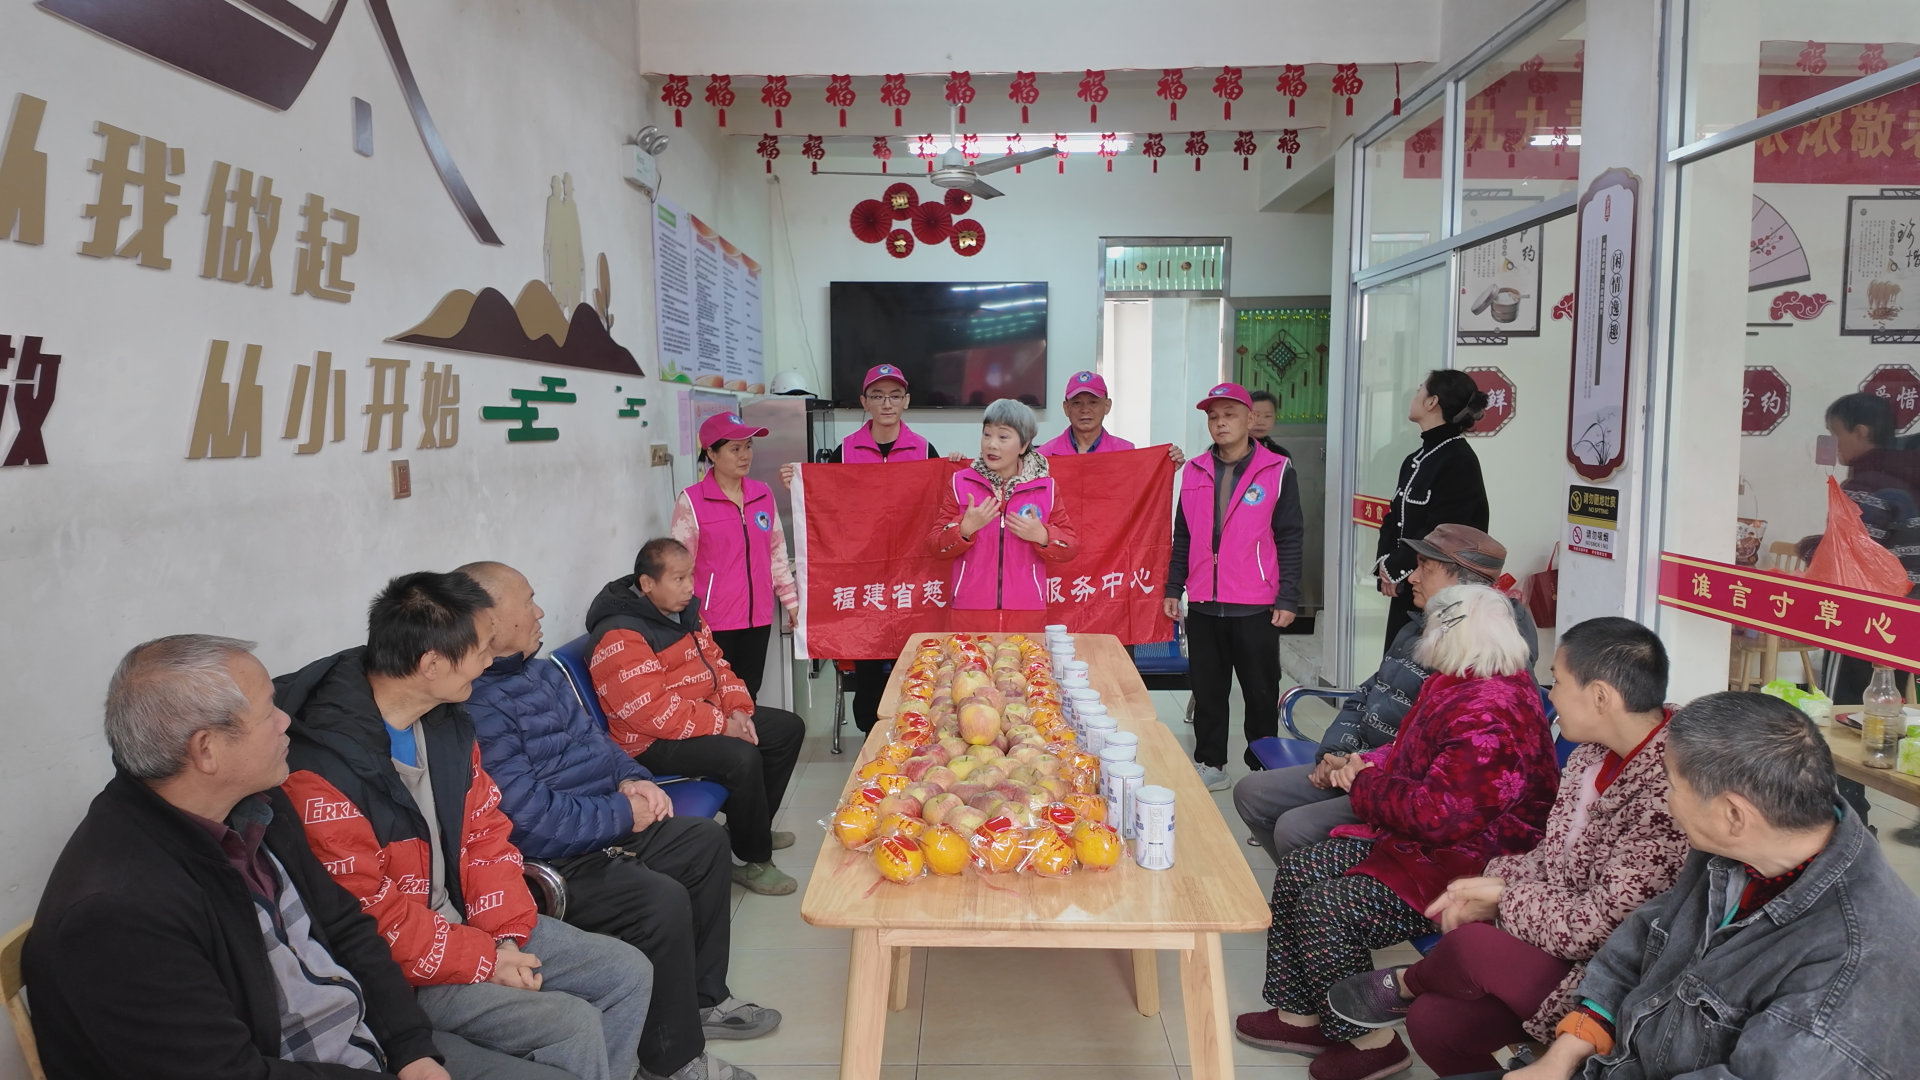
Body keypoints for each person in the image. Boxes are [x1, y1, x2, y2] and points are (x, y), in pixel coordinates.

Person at [24, 634, 486, 1080]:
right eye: (269, 712)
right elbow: (224, 1073)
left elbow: (345, 925)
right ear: (207, 750)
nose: (286, 721)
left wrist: (410, 1047)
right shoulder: (117, 914)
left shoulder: (255, 805)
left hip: (369, 1044)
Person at [279, 572, 653, 1080]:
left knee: (628, 973)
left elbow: (484, 835)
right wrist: (484, 958)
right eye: (479, 651)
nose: (488, 661)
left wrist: (503, 938)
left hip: (473, 927)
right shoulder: (321, 773)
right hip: (403, 968)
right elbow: (371, 919)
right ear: (431, 664)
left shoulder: (446, 721)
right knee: (571, 1023)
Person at [1324, 617, 1689, 1078]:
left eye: (1558, 682)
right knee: (1434, 1023)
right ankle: (1412, 994)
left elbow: (1597, 929)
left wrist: (1502, 899)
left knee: (1470, 945)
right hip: (1553, 940)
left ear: (1600, 696)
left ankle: (1405, 983)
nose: (1550, 696)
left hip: (1609, 982)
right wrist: (1485, 883)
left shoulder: (1670, 790)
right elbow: (1549, 856)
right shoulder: (1590, 755)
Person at [1492, 693, 1920, 1080]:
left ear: (1734, 815)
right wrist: (1563, 1055)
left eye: (1671, 785)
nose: (1665, 799)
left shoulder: (1847, 967)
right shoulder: (1733, 855)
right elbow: (1638, 945)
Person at [461, 562, 773, 1080]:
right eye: (529, 602)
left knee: (703, 842)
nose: (541, 612)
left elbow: (597, 743)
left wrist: (632, 779)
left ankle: (702, 999)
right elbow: (527, 821)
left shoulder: (540, 672)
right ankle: (671, 1060)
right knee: (658, 901)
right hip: (553, 859)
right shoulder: (477, 706)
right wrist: (623, 813)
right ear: (488, 620)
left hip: (601, 821)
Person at [1234, 584, 1559, 1080]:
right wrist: (1364, 761)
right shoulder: (1460, 682)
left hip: (1468, 868)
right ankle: (1301, 1016)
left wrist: (1363, 781)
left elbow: (1438, 816)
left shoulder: (1492, 711)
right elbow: (1415, 753)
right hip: (1421, 847)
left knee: (1328, 907)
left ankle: (1373, 1043)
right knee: (1300, 870)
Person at [1232, 524, 1538, 862]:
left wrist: (1357, 767)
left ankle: (1322, 885)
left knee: (1295, 828)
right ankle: (1303, 879)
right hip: (1363, 763)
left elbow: (1428, 759)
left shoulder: (1485, 656)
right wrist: (1335, 753)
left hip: (1400, 783)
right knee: (1253, 793)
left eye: (1424, 568)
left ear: (1463, 584)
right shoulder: (1415, 628)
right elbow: (1367, 693)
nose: (1412, 578)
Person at [586, 538, 808, 896]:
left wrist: (738, 709)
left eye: (691, 576)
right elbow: (651, 713)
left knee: (786, 729)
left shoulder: (684, 613)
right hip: (648, 742)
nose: (690, 587)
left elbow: (717, 665)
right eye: (679, 579)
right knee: (741, 756)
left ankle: (751, 828)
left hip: (697, 715)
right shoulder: (620, 634)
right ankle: (755, 859)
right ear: (647, 583)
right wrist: (722, 725)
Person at [780, 363, 958, 734]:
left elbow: (944, 505)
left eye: (894, 395)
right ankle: (872, 737)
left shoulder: (925, 450)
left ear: (906, 401)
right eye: (877, 396)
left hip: (912, 576)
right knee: (868, 657)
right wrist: (798, 484)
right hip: (863, 577)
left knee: (915, 660)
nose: (886, 403)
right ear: (865, 402)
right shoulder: (845, 452)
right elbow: (826, 503)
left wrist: (954, 469)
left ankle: (913, 731)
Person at [1164, 381, 1305, 789]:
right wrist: (1174, 587)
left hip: (1256, 602)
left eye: (1229, 415)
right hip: (1204, 602)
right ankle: (1212, 764)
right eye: (1213, 417)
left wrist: (1288, 596)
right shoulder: (1194, 470)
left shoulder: (1277, 469)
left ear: (1249, 418)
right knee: (1208, 690)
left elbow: (1290, 536)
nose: (1220, 423)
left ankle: (1262, 766)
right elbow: (1183, 535)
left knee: (1260, 692)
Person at [673, 412, 799, 701]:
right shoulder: (692, 501)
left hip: (759, 617)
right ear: (712, 453)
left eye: (749, 446)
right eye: (735, 449)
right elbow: (679, 567)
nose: (745, 456)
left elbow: (777, 551)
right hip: (712, 620)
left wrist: (790, 601)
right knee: (715, 695)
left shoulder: (762, 494)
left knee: (748, 693)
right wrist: (685, 618)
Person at [927, 398, 1081, 630]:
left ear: (1023, 445)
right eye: (987, 434)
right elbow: (935, 545)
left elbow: (1070, 547)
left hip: (1027, 611)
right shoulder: (961, 482)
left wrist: (1043, 536)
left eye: (1003, 437)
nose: (992, 444)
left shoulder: (1045, 488)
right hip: (969, 608)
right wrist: (964, 529)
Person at [1374, 370, 1491, 650]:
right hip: (1408, 584)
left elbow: (1443, 531)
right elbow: (1394, 518)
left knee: (1428, 663)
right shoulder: (1416, 458)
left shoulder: (1459, 459)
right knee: (1398, 663)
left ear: (1432, 402)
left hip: (1439, 592)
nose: (1414, 396)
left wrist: (1397, 567)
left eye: (1419, 390)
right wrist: (1386, 566)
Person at [1035, 369, 1187, 465]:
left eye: (1093, 402)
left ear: (1107, 406)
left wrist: (1165, 467)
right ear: (1066, 408)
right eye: (1077, 403)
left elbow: (1140, 493)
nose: (1085, 410)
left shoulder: (1126, 452)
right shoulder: (1043, 456)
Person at [1248, 388, 1294, 460]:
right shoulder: (1232, 452)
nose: (1261, 422)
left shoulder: (1281, 454)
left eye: (1267, 416)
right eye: (1255, 415)